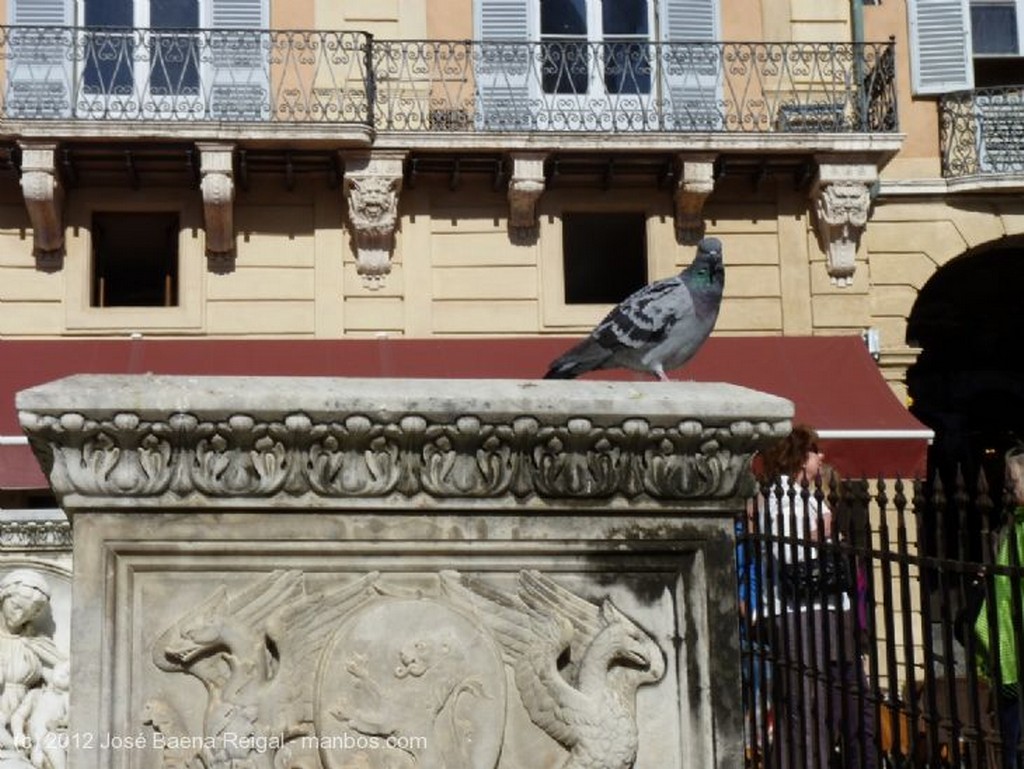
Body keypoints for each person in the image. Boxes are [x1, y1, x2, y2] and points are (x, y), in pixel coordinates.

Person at [759, 424, 875, 769]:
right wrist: (824, 528)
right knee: (807, 707)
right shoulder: (779, 496)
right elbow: (788, 555)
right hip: (800, 613)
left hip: (831, 610)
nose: (821, 457)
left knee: (855, 703)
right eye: (814, 451)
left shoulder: (811, 495)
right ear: (798, 456)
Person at [974, 446, 1024, 769]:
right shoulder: (1011, 525)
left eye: (1015, 479)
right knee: (1012, 742)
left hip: (1016, 642)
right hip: (1009, 646)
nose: (1009, 486)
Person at [0, 570, 62, 754]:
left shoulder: (36, 644)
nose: (19, 617)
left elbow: (60, 681)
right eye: (16, 606)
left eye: (27, 613)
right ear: (3, 597)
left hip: (23, 718)